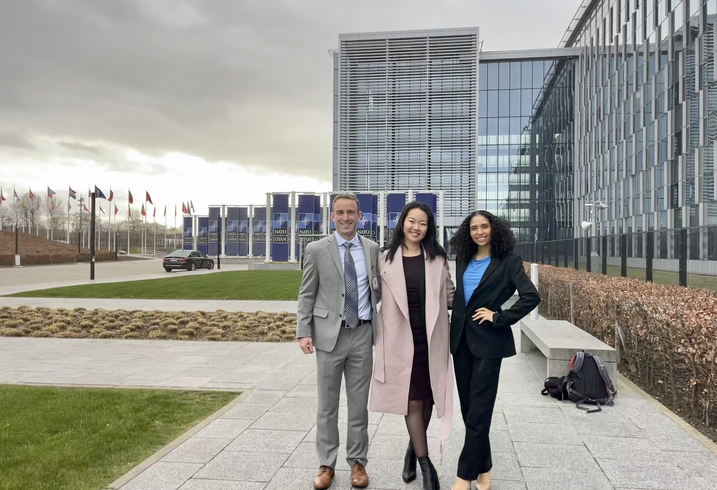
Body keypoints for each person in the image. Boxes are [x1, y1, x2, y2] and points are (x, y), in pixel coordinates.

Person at [448, 211, 540, 490]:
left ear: (494, 229)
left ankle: (464, 477)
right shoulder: (463, 258)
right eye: (474, 228)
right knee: (469, 410)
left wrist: (499, 317)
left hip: (489, 343)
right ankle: (484, 468)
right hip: (460, 341)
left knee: (480, 409)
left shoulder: (508, 260)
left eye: (484, 227)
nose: (479, 232)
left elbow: (531, 296)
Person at [296, 194, 380, 490]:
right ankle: (326, 464)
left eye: (351, 212)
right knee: (327, 405)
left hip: (363, 334)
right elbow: (306, 293)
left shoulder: (372, 249)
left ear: (360, 216)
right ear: (332, 217)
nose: (346, 217)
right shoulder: (317, 249)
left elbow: (379, 290)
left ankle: (358, 463)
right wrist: (303, 331)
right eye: (340, 213)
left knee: (359, 406)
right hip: (329, 335)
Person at [369, 202, 455, 490]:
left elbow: (451, 295)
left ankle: (411, 451)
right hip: (398, 339)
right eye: (411, 221)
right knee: (412, 400)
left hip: (432, 337)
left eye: (423, 223)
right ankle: (426, 465)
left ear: (428, 228)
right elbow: (372, 296)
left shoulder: (438, 258)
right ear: (402, 222)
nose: (416, 227)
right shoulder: (384, 258)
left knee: (429, 398)